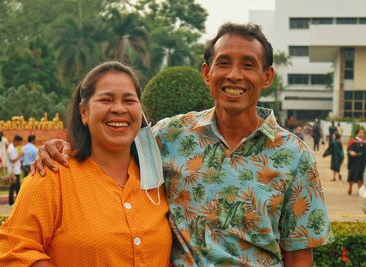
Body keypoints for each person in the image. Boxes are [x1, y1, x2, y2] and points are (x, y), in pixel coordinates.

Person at [33, 23, 333, 266]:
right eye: (223, 63)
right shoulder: (170, 135)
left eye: (248, 65)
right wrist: (60, 146)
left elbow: (299, 252)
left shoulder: (294, 155)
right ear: (207, 73)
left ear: (266, 77)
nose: (234, 75)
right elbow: (110, 138)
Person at [0, 62, 172, 266]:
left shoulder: (158, 179)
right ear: (84, 113)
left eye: (129, 100)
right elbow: (14, 250)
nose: (119, 109)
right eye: (106, 99)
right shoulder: (52, 175)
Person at [6, 135, 24, 206]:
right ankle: (11, 202)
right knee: (13, 186)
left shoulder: (13, 148)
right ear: (16, 141)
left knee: (17, 187)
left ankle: (17, 202)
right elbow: (13, 160)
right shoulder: (11, 149)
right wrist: (20, 155)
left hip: (16, 170)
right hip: (13, 171)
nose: (19, 144)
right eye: (19, 142)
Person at [347, 129, 366, 195]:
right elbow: (349, 149)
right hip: (354, 161)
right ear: (357, 133)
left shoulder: (364, 142)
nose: (362, 134)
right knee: (352, 175)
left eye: (363, 133)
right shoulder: (353, 141)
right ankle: (350, 189)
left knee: (361, 177)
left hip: (362, 161)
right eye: (361, 132)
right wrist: (351, 152)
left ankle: (360, 191)